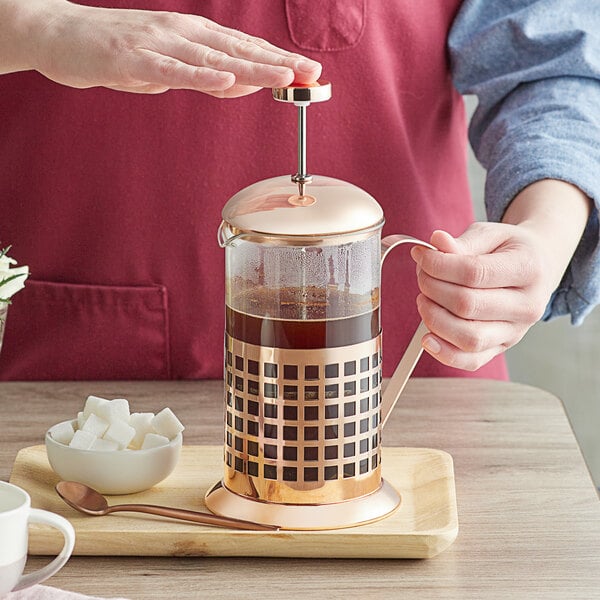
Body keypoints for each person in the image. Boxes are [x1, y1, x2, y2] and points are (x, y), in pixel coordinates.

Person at [0, 0, 597, 381]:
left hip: (408, 379)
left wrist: (539, 237)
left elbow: (552, 67)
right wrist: (31, 26)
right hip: (75, 386)